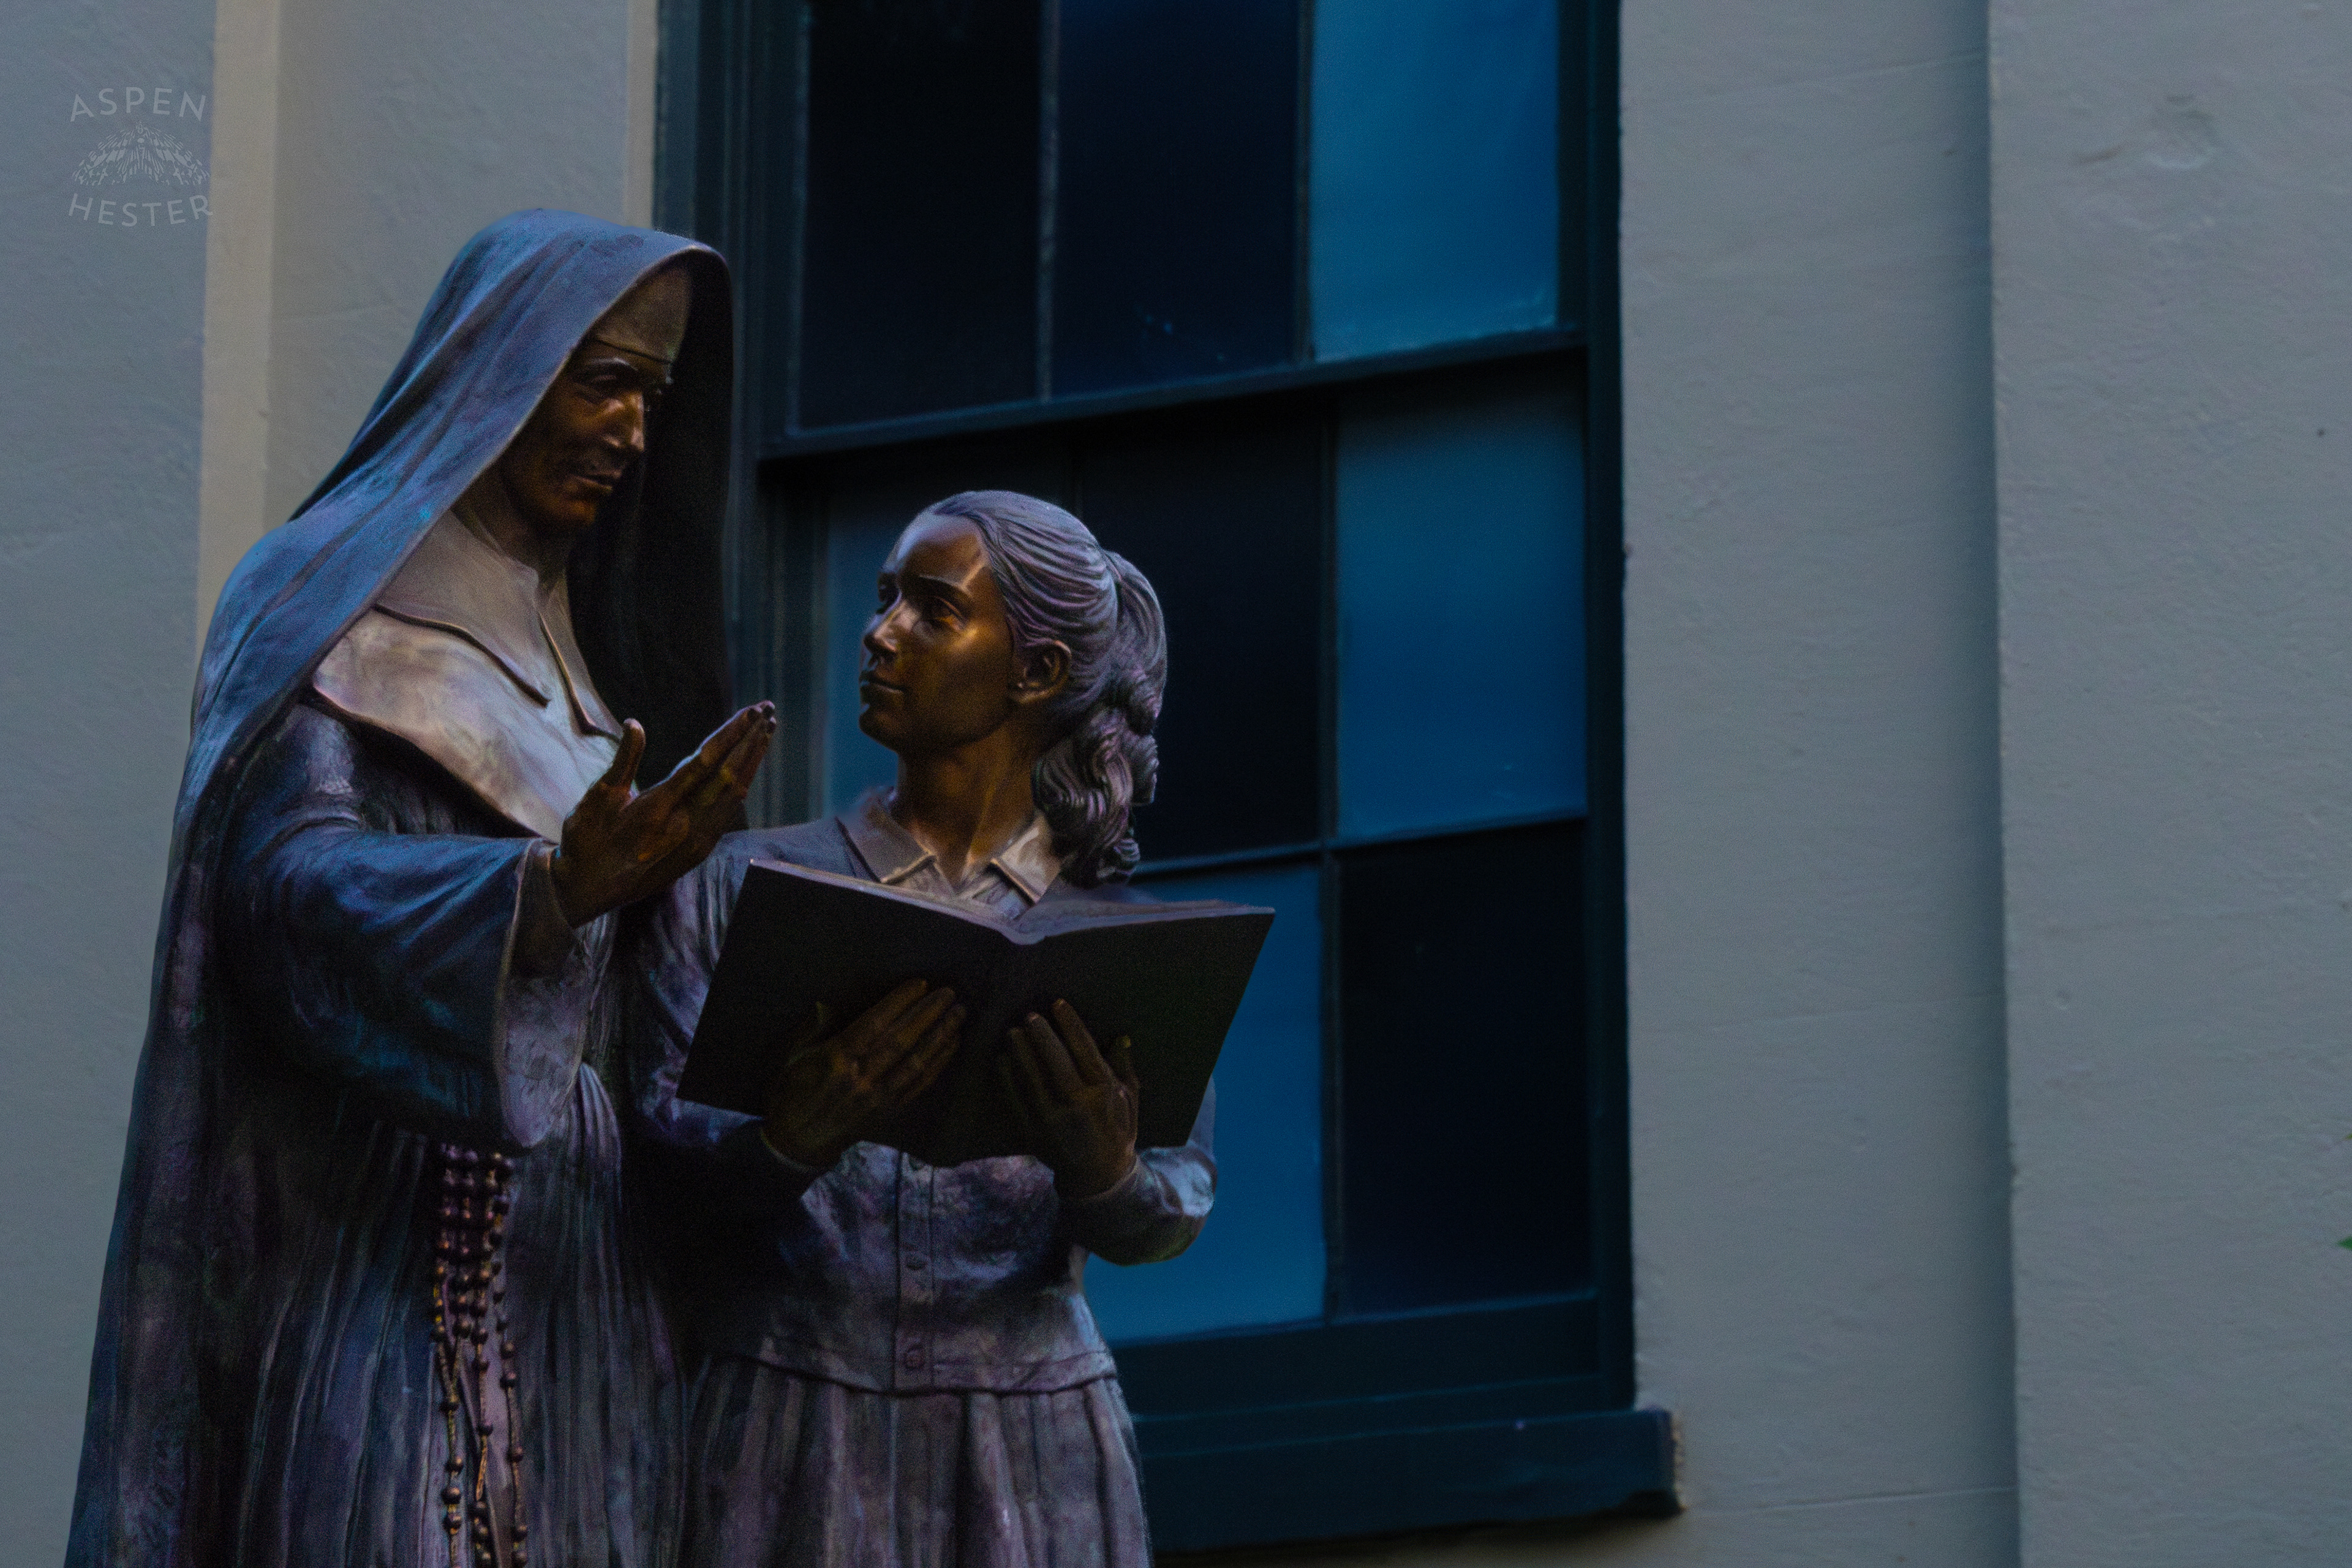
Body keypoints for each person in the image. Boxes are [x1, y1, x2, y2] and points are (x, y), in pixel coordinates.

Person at [66, 209, 773, 1568]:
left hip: (584, 1299)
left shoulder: (599, 652)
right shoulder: (326, 594)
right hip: (388, 1254)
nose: (631, 428)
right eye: (601, 378)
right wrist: (540, 894)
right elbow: (283, 887)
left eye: (654, 396)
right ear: (504, 365)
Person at [630, 490, 1212, 1567]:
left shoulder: (1121, 938)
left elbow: (1174, 1207)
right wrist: (789, 1136)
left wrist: (1106, 1172)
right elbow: (641, 1184)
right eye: (885, 598)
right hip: (786, 1420)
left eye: (933, 610)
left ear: (1034, 674)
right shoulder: (729, 890)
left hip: (1030, 1442)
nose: (881, 631)